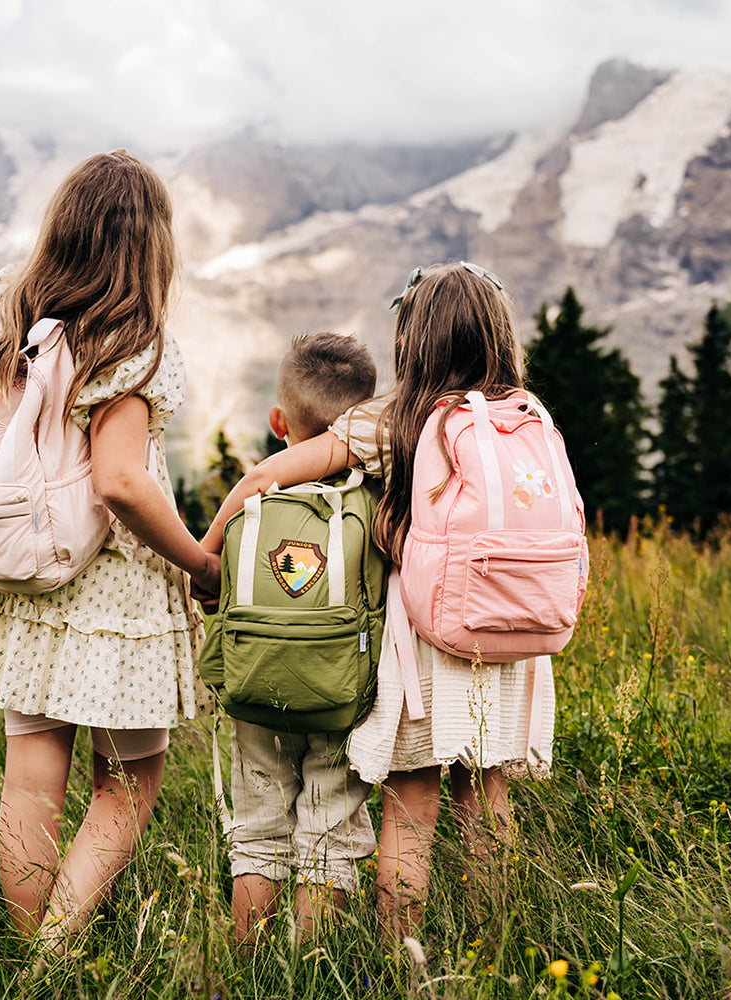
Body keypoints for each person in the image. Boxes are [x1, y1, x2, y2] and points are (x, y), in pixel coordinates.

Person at [201, 263, 555, 935]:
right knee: (488, 796)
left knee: (411, 803)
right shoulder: (524, 414)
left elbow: (270, 474)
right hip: (513, 637)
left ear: (409, 341)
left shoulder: (393, 418)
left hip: (425, 637)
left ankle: (400, 955)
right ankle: (493, 948)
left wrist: (212, 553)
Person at [0, 151, 221, 953]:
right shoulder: (131, 341)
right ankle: (55, 952)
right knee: (127, 783)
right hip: (106, 594)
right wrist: (199, 562)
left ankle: (26, 946)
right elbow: (122, 483)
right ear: (149, 248)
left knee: (31, 774)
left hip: (22, 574)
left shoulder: (11, 310)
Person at [219, 332, 380, 944]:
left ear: (278, 420)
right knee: (331, 827)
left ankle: (246, 962)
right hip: (343, 690)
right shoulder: (373, 500)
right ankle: (310, 969)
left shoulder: (254, 501)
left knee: (259, 824)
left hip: (259, 682)